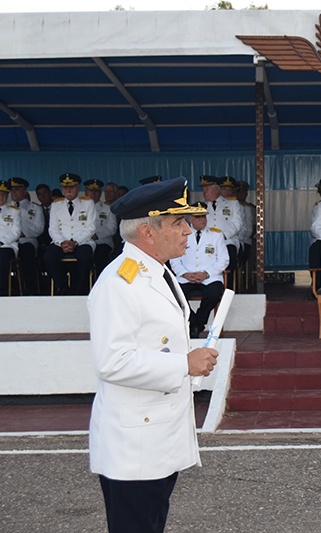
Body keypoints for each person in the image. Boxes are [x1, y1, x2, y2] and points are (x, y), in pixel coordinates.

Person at [88, 177, 218, 533]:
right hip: (134, 446)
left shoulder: (159, 273)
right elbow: (111, 361)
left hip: (156, 438)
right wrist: (183, 364)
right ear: (147, 231)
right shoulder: (120, 282)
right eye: (177, 223)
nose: (188, 231)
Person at [169, 203, 228, 338]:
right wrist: (185, 273)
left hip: (210, 277)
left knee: (213, 295)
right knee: (175, 296)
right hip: (186, 277)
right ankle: (193, 322)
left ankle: (197, 324)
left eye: (204, 216)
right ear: (190, 219)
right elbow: (174, 258)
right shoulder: (180, 235)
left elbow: (224, 259)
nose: (202, 219)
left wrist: (206, 273)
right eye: (198, 217)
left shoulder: (216, 235)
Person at [43, 173, 97, 295]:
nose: (68, 190)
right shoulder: (56, 205)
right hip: (61, 242)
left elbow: (91, 227)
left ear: (78, 188)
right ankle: (62, 287)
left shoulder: (88, 204)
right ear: (62, 189)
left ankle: (79, 289)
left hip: (82, 241)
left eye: (72, 187)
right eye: (65, 187)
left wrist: (76, 242)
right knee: (49, 257)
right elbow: (53, 229)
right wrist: (62, 243)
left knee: (85, 257)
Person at [9, 177, 45, 295]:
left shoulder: (35, 208)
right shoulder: (5, 208)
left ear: (25, 192)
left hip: (26, 240)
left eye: (17, 189)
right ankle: (6, 286)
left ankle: (30, 287)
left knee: (27, 251)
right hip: (8, 241)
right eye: (12, 189)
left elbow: (39, 228)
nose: (13, 192)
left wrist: (22, 233)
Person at [83, 179, 118, 277]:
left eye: (96, 191)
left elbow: (112, 228)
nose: (93, 194)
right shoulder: (79, 209)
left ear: (100, 193)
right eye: (91, 191)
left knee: (100, 256)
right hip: (83, 242)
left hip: (102, 241)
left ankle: (100, 282)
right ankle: (81, 285)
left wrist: (97, 236)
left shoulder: (108, 208)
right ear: (86, 192)